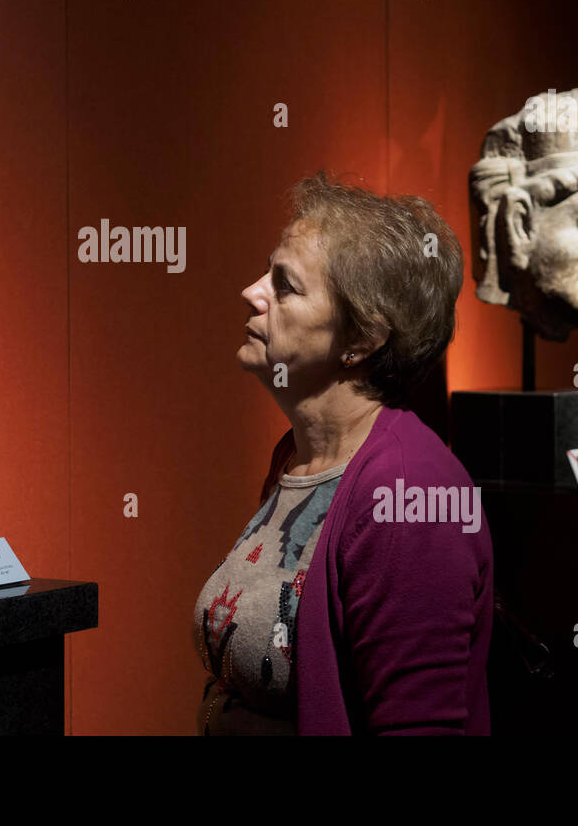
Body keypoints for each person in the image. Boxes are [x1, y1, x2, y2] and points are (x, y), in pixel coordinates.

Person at [194, 171, 493, 735]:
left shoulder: (412, 495)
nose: (252, 292)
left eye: (285, 285)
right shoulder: (299, 457)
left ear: (362, 340)